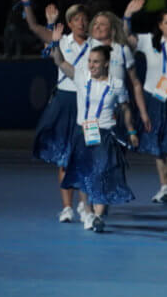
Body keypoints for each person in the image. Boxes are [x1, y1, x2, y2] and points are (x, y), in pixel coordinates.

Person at [49, 37, 139, 233]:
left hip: (106, 134)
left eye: (96, 61)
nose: (91, 65)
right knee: (85, 174)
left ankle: (99, 215)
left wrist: (131, 131)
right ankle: (88, 213)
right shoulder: (81, 77)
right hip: (84, 133)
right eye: (90, 61)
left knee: (102, 173)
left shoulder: (117, 84)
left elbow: (125, 108)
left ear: (106, 63)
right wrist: (55, 44)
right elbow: (60, 62)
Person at [19, 0, 92, 222]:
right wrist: (28, 4)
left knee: (87, 155)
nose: (82, 23)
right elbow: (33, 26)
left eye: (84, 19)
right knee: (64, 156)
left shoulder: (96, 45)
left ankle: (85, 205)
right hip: (64, 102)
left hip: (88, 104)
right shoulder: (60, 39)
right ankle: (67, 207)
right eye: (77, 20)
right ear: (69, 23)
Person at [123, 0, 167, 204]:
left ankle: (166, 186)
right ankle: (164, 185)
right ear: (160, 25)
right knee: (157, 143)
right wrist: (128, 14)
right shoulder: (149, 41)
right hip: (154, 98)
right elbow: (126, 37)